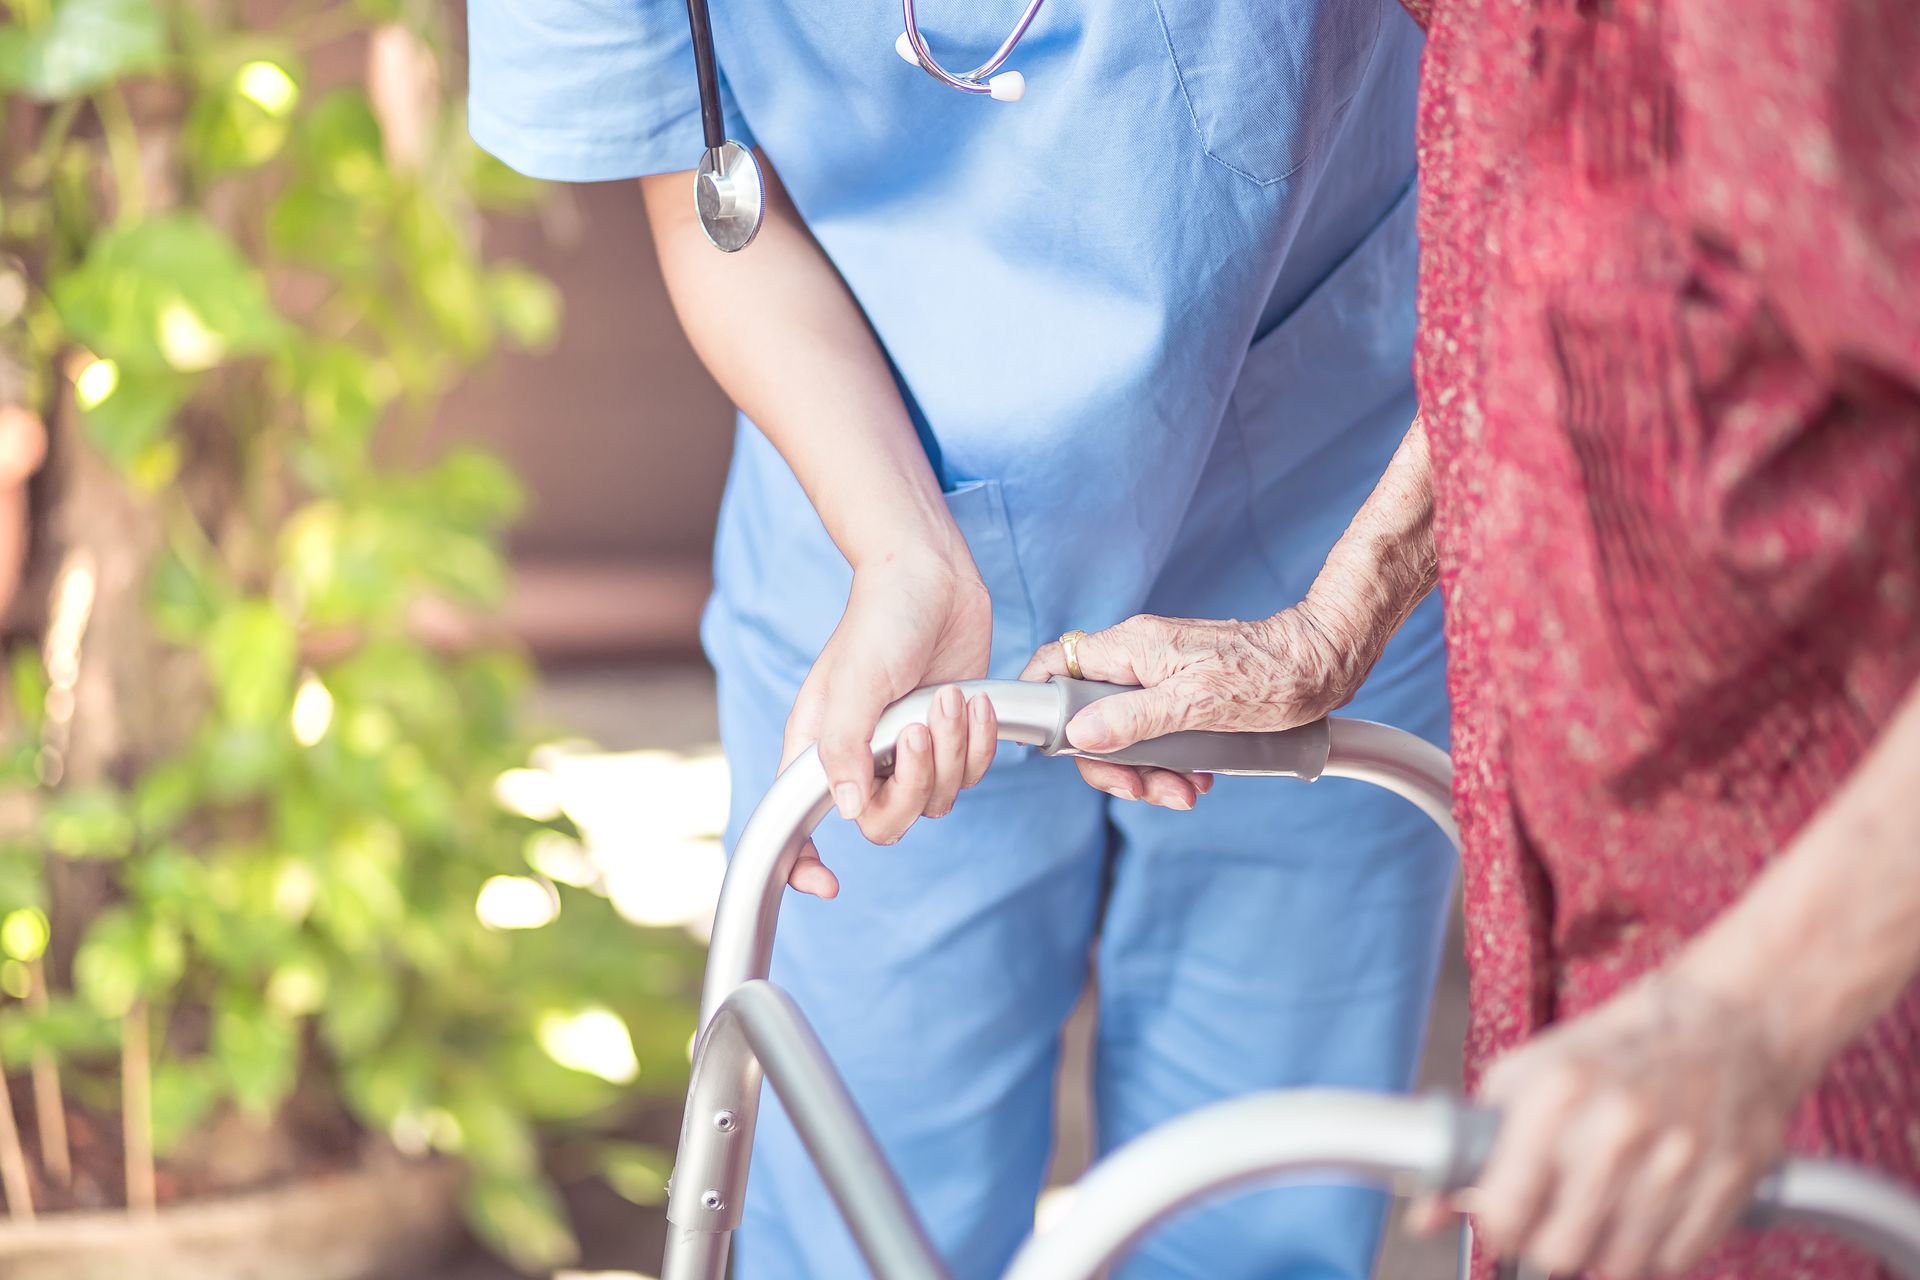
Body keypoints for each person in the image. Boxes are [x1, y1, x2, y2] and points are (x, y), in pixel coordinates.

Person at [468, 2, 1455, 1276]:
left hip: (1337, 473)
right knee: (864, 1207)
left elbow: (1581, 140)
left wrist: (1349, 607)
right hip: (873, 507)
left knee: (1256, 1208)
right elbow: (708, 180)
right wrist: (900, 548)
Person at [1023, 0, 1920, 1275]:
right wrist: (1334, 622)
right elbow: (1554, 300)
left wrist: (1755, 1012)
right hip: (1597, 1004)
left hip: (1821, 1029)